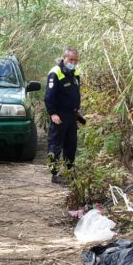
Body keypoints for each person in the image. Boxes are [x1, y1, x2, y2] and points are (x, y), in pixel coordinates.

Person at [45, 47, 84, 184]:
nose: (73, 62)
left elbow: (75, 94)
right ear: (64, 58)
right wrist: (53, 113)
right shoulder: (55, 72)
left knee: (71, 145)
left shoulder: (75, 73)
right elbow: (49, 96)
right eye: (70, 59)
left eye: (75, 60)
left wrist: (77, 112)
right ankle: (54, 174)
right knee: (55, 145)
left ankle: (69, 171)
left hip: (71, 115)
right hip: (59, 115)